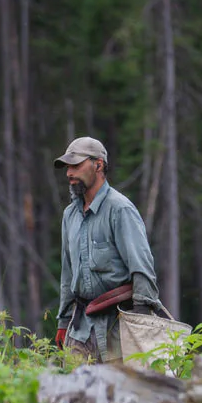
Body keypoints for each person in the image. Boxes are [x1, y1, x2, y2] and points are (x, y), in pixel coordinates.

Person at [52, 136, 168, 361]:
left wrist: (141, 321)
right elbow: (67, 276)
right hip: (80, 330)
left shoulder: (120, 209)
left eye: (76, 165)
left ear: (98, 165)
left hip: (118, 328)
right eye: (67, 167)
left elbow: (141, 267)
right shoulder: (70, 215)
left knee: (120, 393)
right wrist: (63, 322)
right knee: (76, 391)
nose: (69, 173)